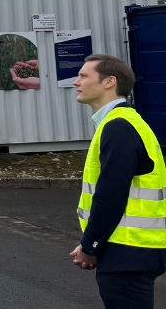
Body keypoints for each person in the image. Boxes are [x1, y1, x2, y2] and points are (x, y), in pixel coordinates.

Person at [71, 54, 166, 309]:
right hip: (129, 250)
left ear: (109, 81)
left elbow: (110, 196)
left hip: (127, 253)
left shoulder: (119, 126)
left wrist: (90, 246)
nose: (76, 82)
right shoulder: (122, 123)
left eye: (84, 76)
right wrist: (93, 245)